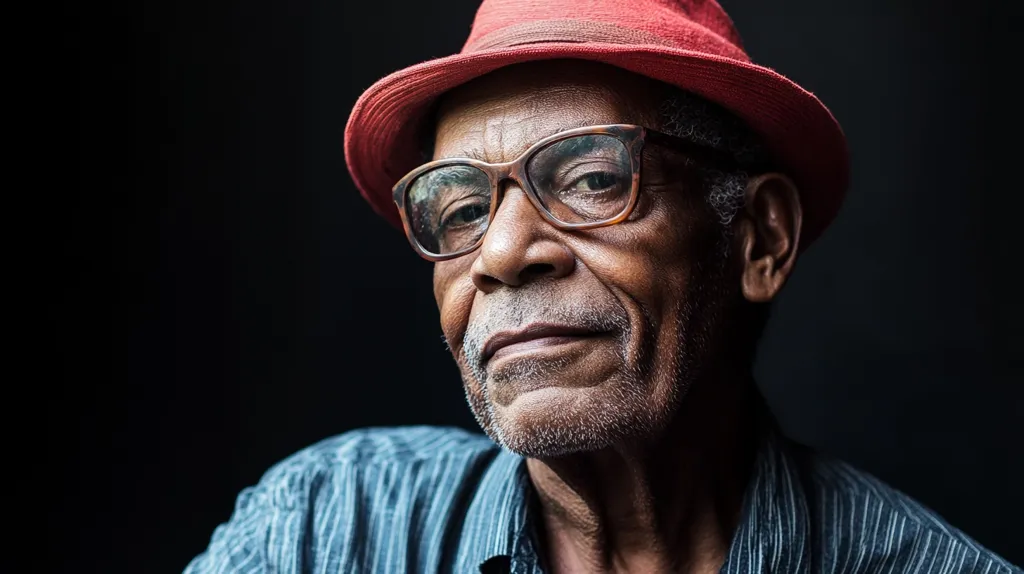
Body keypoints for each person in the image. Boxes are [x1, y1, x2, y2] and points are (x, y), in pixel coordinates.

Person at [186, 0, 1020, 572]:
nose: (502, 254)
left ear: (760, 239)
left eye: (589, 178)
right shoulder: (324, 528)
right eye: (463, 206)